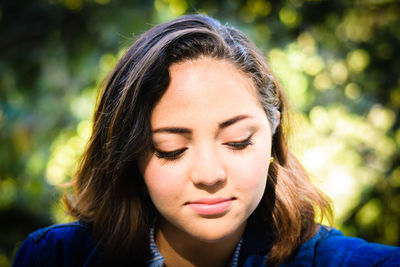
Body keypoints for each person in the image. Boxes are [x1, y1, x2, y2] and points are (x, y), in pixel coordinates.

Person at [13, 14, 400, 267]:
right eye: (171, 150)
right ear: (129, 155)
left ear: (273, 132)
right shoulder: (55, 258)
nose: (209, 174)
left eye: (237, 141)